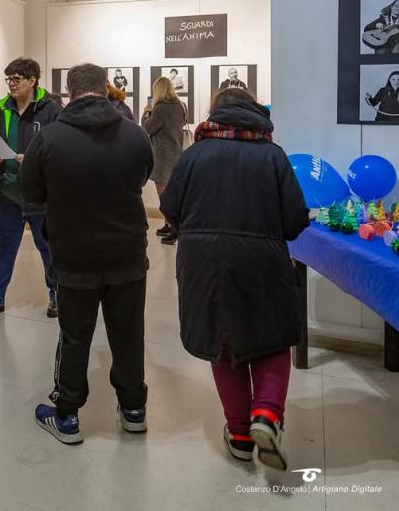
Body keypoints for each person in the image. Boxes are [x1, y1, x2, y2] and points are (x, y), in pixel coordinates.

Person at [159, 88, 309, 470]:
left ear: (214, 112)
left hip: (201, 261)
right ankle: (268, 415)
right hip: (262, 258)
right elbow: (293, 222)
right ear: (254, 113)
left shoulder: (194, 155)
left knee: (220, 342)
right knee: (272, 336)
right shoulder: (272, 155)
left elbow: (170, 210)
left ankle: (240, 434)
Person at [21, 63, 154, 444]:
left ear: (69, 93)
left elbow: (33, 195)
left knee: (74, 336)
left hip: (74, 254)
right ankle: (133, 410)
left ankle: (67, 416)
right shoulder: (136, 135)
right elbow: (143, 176)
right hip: (128, 254)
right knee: (129, 333)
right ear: (105, 89)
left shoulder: (48, 139)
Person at [0, 57, 62, 322]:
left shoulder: (51, 110)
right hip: (8, 193)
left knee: (47, 246)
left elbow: (60, 148)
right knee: (5, 246)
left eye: (17, 79)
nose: (11, 84)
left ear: (33, 80)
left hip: (39, 195)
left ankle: (57, 295)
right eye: (9, 79)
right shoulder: (1, 109)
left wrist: (34, 160)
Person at [142, 76, 187, 245]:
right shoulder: (181, 106)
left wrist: (146, 112)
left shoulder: (160, 109)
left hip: (162, 155)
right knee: (171, 192)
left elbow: (147, 128)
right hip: (176, 152)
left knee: (164, 194)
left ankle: (174, 227)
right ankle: (168, 224)